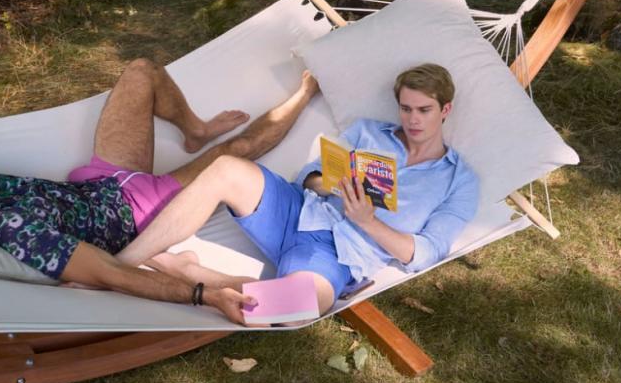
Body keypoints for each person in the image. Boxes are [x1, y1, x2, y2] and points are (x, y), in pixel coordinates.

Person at [0, 59, 320, 324]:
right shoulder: (15, 231)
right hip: (138, 209)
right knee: (236, 154)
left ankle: (195, 129)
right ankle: (306, 91)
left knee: (141, 71)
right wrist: (202, 296)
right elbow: (110, 273)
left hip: (99, 179)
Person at [115, 63, 479, 316]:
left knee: (299, 305)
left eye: (424, 110)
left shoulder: (458, 179)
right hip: (299, 211)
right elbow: (310, 175)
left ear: (445, 109)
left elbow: (426, 253)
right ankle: (119, 266)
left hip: (340, 254)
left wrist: (368, 221)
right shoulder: (368, 132)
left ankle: (185, 273)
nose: (413, 120)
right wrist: (333, 185)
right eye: (406, 108)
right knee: (226, 168)